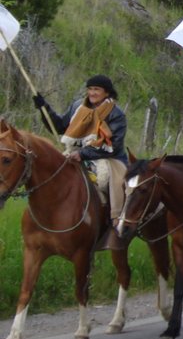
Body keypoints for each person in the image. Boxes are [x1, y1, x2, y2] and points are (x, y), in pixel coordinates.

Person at [33, 75, 129, 249]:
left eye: (96, 90)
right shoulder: (78, 106)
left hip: (109, 158)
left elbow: (113, 145)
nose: (92, 93)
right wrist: (43, 108)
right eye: (90, 89)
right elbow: (61, 126)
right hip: (76, 152)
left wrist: (84, 154)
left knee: (110, 180)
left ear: (107, 92)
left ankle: (115, 222)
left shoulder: (117, 114)